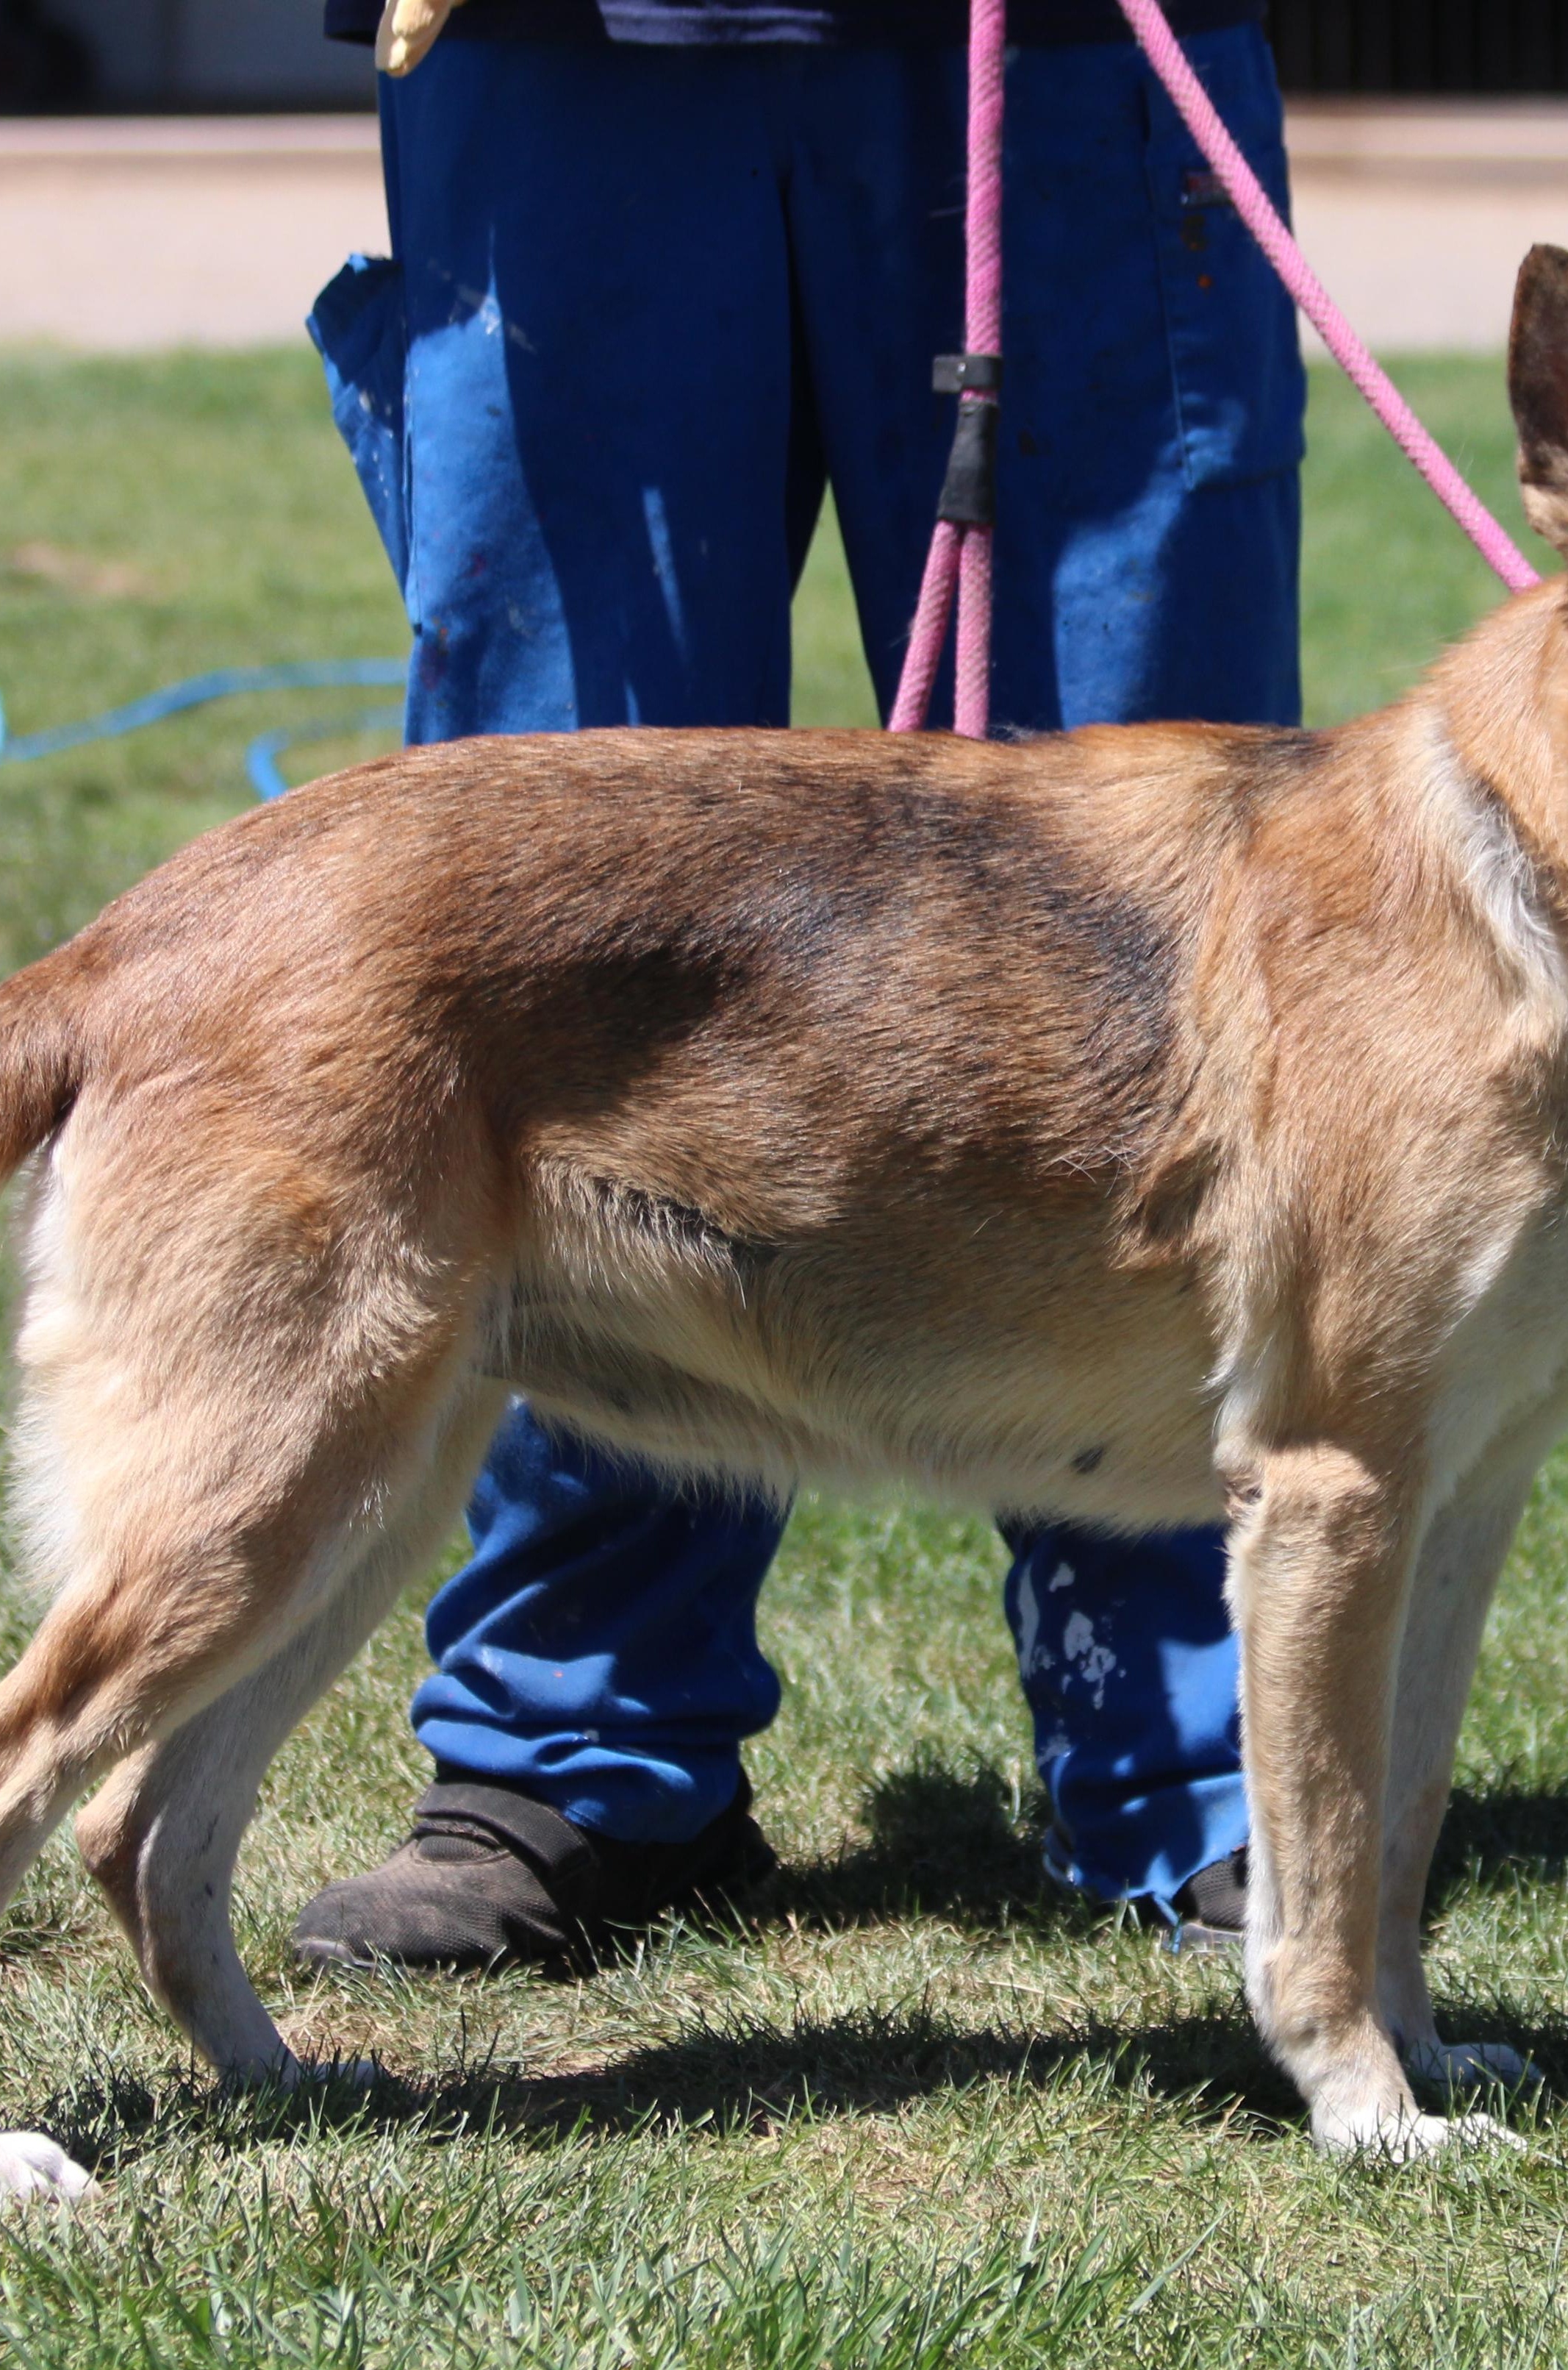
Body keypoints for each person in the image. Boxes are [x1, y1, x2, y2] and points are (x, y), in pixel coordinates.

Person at [293, 0, 1306, 1972]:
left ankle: (1207, 1755)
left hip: (1064, 54)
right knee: (557, 923)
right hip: (570, 39)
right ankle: (581, 1742)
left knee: (1147, 909)